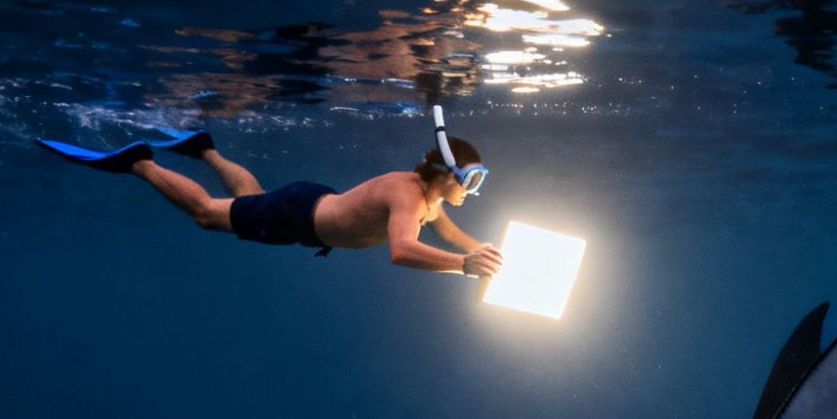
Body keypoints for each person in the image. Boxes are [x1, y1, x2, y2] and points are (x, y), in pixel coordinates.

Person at [34, 111, 502, 277]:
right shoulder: (407, 197)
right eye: (472, 180)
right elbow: (401, 251)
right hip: (296, 217)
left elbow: (437, 221)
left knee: (250, 196)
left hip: (307, 205)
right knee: (204, 214)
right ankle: (138, 163)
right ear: (448, 173)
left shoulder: (427, 194)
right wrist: (462, 265)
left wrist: (472, 248)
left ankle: (204, 151)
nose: (472, 190)